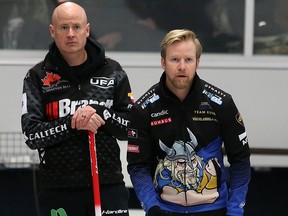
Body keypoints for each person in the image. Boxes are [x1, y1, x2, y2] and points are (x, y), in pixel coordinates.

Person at [21, 2, 133, 216]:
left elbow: (131, 128)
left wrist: (102, 113)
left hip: (107, 185)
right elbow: (31, 135)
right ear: (52, 31)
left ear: (87, 30)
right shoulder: (37, 76)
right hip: (58, 189)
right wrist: (72, 123)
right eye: (64, 28)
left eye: (76, 27)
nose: (71, 34)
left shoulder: (113, 71)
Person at [127, 29, 251, 216]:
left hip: (214, 209)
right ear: (163, 62)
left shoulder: (221, 103)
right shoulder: (144, 109)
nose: (182, 67)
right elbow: (137, 167)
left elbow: (240, 161)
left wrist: (235, 211)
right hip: (164, 211)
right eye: (175, 59)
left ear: (197, 63)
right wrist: (152, 208)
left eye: (188, 60)